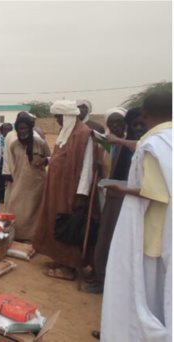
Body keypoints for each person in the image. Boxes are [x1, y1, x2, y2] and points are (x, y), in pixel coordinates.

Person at [100, 92, 171, 342]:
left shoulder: (155, 145)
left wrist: (121, 188)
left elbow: (154, 192)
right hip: (165, 229)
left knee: (144, 290)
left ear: (144, 114)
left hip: (153, 230)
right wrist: (119, 141)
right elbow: (140, 145)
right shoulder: (165, 140)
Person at [33, 100, 96, 281]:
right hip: (57, 189)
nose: (58, 121)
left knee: (69, 226)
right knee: (56, 223)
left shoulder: (84, 135)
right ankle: (60, 259)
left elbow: (87, 168)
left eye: (59, 117)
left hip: (71, 191)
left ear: (67, 116)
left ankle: (69, 267)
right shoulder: (66, 132)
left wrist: (81, 194)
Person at [85, 107, 145, 294]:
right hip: (110, 195)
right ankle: (101, 275)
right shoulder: (113, 144)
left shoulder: (133, 144)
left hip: (128, 198)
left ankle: (108, 280)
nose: (116, 127)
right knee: (105, 237)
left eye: (120, 123)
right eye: (112, 124)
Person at [5, 116, 51, 242]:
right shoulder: (14, 145)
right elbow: (14, 162)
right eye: (20, 129)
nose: (22, 131)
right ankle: (18, 235)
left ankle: (32, 236)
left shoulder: (40, 143)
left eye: (25, 128)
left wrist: (44, 160)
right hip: (19, 181)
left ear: (30, 129)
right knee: (16, 208)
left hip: (37, 183)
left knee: (34, 211)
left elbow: (51, 158)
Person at [2, 112, 43, 208]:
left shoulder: (36, 136)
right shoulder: (10, 135)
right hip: (13, 174)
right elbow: (6, 154)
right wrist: (6, 172)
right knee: (12, 199)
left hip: (29, 175)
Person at [0, 123, 13, 204]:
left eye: (9, 130)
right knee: (0, 180)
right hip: (0, 162)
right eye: (5, 130)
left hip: (11, 162)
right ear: (1, 131)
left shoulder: (14, 139)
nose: (7, 131)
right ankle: (1, 197)